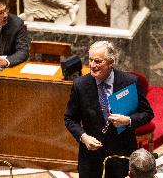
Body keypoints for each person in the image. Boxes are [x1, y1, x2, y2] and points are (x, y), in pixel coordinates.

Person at [64, 41, 154, 178]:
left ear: (111, 62)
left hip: (122, 156)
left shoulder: (130, 82)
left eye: (98, 61)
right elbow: (70, 119)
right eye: (90, 60)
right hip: (91, 159)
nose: (92, 65)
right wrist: (84, 137)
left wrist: (128, 120)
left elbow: (148, 113)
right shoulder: (80, 85)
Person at [0, 0, 29, 67]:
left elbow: (23, 51)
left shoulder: (16, 23)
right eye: (0, 13)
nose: (5, 15)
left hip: (7, 68)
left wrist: (7, 61)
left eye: (6, 10)